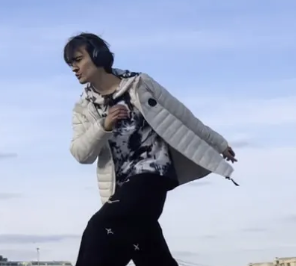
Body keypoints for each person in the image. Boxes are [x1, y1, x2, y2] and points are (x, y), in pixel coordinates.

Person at [64, 33, 238, 266]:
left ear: (99, 56)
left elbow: (182, 115)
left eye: (78, 59)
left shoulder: (140, 84)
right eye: (70, 64)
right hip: (121, 188)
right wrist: (103, 125)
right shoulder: (83, 108)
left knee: (100, 228)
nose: (74, 68)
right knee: (149, 252)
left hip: (152, 173)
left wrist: (217, 142)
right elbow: (81, 154)